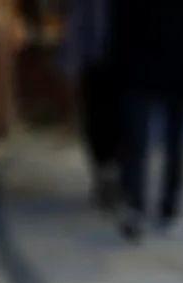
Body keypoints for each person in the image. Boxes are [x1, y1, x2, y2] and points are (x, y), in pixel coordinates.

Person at [110, 0, 183, 240]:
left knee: (153, 140)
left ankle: (157, 207)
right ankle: (147, 206)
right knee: (146, 139)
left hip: (164, 64)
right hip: (152, 62)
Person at [60, 0, 121, 211]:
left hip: (118, 61)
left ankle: (110, 175)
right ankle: (106, 174)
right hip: (96, 60)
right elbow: (76, 22)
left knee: (110, 121)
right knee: (98, 122)